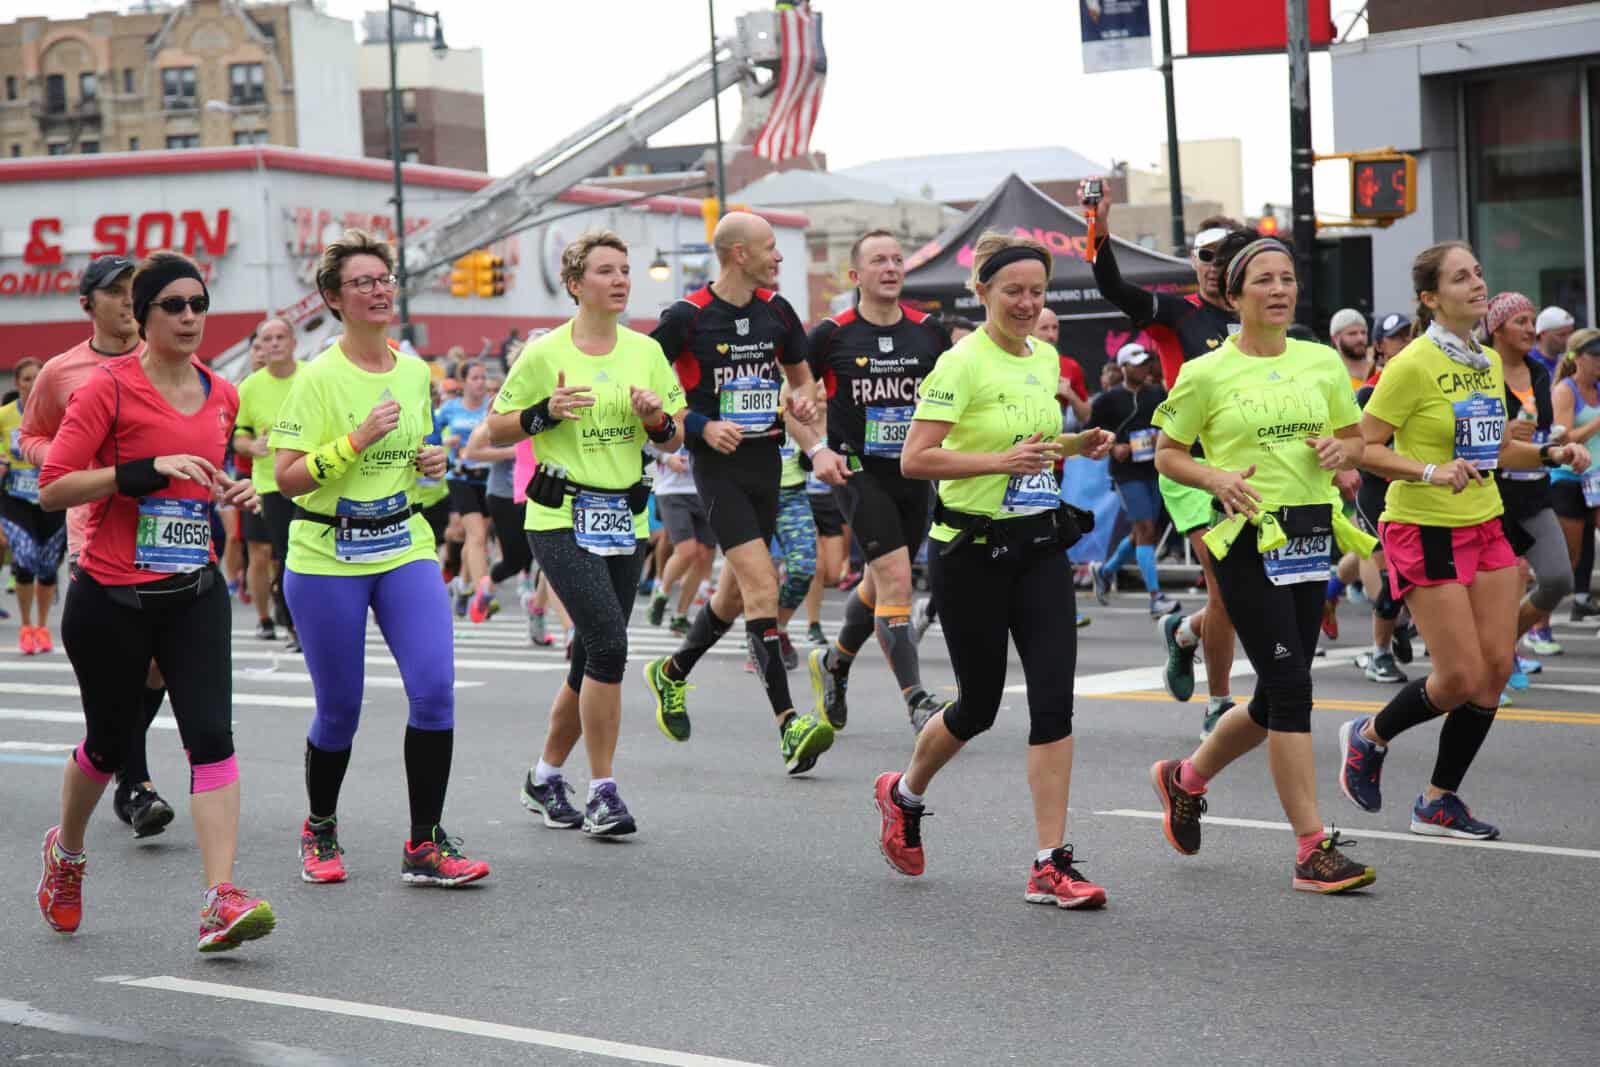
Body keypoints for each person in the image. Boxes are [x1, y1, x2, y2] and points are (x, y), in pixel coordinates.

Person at [36, 250, 275, 951]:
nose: (190, 317)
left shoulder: (221, 393)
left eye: (199, 304)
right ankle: (67, 854)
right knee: (109, 744)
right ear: (141, 317)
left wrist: (235, 490)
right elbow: (53, 486)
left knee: (212, 734)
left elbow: (205, 477)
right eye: (174, 305)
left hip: (193, 590)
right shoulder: (105, 389)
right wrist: (142, 470)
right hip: (110, 595)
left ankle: (220, 897)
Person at [873, 231, 1115, 907]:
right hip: (970, 553)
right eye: (1013, 291)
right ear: (981, 292)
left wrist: (1077, 442)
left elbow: (1028, 446)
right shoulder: (961, 364)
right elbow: (916, 459)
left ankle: (1049, 860)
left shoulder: (1045, 358)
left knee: (1053, 700)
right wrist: (995, 464)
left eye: (1037, 292)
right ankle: (905, 792)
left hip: (1038, 547)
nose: (1027, 303)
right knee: (977, 705)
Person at [1143, 231, 1378, 893]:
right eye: (1264, 281)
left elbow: (1354, 438)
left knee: (1275, 696)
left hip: (1309, 536)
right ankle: (1311, 848)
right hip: (1247, 538)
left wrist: (1342, 453)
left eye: (1287, 279)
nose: (1279, 290)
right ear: (1236, 295)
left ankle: (1183, 779)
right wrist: (1215, 478)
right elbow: (1168, 453)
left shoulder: (1320, 361)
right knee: (1292, 690)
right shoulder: (1207, 372)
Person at [1337, 242, 1590, 842]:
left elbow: (1493, 450)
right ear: (1430, 297)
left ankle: (1438, 800)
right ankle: (1368, 737)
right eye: (1460, 278)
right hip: (1423, 526)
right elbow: (1363, 448)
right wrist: (1429, 471)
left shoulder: (1480, 361)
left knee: (1496, 669)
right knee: (1456, 678)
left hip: (1485, 521)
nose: (1477, 284)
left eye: (1477, 273)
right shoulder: (1411, 364)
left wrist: (1555, 453)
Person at [272, 229, 488, 887]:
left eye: (384, 279)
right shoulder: (317, 377)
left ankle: (424, 842)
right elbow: (286, 476)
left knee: (434, 689)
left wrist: (432, 465)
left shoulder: (414, 370)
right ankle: (320, 824)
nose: (377, 290)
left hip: (403, 543)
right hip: (325, 552)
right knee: (340, 707)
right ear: (334, 298)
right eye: (362, 282)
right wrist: (355, 440)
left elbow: (417, 474)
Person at [487, 230, 686, 835]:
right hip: (558, 516)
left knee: (592, 656)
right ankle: (604, 791)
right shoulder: (545, 352)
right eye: (606, 271)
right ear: (575, 284)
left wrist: (656, 419)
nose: (621, 279)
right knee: (609, 646)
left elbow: (675, 436)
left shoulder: (645, 351)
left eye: (625, 269)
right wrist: (545, 411)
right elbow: (496, 429)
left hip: (623, 517)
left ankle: (545, 776)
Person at [639, 211, 843, 775]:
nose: (779, 257)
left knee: (730, 600)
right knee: (763, 585)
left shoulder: (777, 311)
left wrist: (803, 401)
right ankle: (788, 724)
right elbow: (649, 389)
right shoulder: (686, 317)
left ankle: (672, 673)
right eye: (770, 248)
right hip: (717, 470)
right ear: (738, 254)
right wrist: (701, 426)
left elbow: (800, 379)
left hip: (768, 466)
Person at [19, 253, 174, 837]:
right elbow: (32, 436)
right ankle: (135, 782)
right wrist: (66, 457)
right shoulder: (62, 372)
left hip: (164, 522)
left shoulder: (164, 357)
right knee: (124, 662)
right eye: (116, 291)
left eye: (135, 289)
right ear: (89, 304)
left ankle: (125, 770)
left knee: (157, 666)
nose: (128, 300)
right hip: (97, 526)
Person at [1084, 184, 1243, 737]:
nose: (1209, 267)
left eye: (1221, 257)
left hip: (1249, 468)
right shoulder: (1178, 314)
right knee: (1224, 587)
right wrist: (1098, 232)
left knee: (1245, 595)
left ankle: (1183, 633)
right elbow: (1113, 286)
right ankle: (1220, 703)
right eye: (1201, 256)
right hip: (1188, 466)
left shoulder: (1264, 322)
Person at [805, 230, 955, 733]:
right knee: (896, 580)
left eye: (896, 260)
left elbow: (954, 396)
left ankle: (835, 663)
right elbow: (793, 400)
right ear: (856, 276)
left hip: (914, 472)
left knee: (876, 583)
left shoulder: (930, 331)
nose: (890, 268)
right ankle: (916, 699)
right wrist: (817, 448)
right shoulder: (830, 335)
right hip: (857, 472)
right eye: (878, 261)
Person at [1482, 292, 1572, 695]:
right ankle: (1495, 664)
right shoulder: (1479, 370)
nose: (1530, 328)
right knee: (1499, 588)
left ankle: (1502, 645)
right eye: (1520, 320)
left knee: (1556, 578)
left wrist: (1561, 444)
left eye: (1532, 320)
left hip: (1534, 490)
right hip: (1490, 494)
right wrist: (1502, 437)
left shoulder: (1537, 371)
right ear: (1496, 328)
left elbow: (1544, 429)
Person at [1088, 342, 1177, 620]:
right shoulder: (1108, 400)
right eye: (1136, 363)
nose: (1142, 368)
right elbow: (1091, 433)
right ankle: (1155, 598)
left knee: (1142, 532)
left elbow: (1169, 424)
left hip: (1155, 469)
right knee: (1146, 528)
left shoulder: (1157, 394)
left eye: (1145, 363)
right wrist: (1113, 448)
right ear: (1123, 367)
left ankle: (1104, 571)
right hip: (1126, 473)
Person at [1351, 313, 1414, 684]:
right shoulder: (1369, 392)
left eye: (1409, 335)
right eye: (1396, 337)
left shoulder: (1421, 383)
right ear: (1380, 346)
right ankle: (1379, 654)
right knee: (1394, 578)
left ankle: (1403, 622)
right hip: (1379, 494)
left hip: (1418, 490)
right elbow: (1363, 452)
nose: (1404, 342)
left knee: (1418, 577)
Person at [234, 316, 300, 651]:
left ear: (293, 343)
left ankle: (307, 620)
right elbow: (238, 434)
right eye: (267, 339)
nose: (274, 344)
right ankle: (291, 626)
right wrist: (252, 446)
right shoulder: (250, 386)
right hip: (270, 484)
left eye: (280, 337)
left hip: (311, 479)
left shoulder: (312, 378)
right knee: (283, 556)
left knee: (310, 555)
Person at [1, 358, 67, 653]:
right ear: (17, 382)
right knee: (25, 558)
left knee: (48, 564)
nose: (32, 383)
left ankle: (42, 626)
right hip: (16, 497)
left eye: (38, 377)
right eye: (26, 378)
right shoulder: (4, 416)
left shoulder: (59, 414)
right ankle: (26, 625)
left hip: (51, 495)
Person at [437, 361, 497, 622]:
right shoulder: (450, 408)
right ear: (463, 383)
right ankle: (484, 594)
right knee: (476, 535)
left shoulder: (492, 406)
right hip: (460, 475)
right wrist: (442, 442)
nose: (480, 382)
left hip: (488, 478)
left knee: (477, 538)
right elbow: (428, 436)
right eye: (474, 377)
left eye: (483, 377)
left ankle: (462, 585)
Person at [1549, 328, 1600, 632]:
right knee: (1571, 553)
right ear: (1578, 358)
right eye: (1595, 356)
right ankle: (1542, 619)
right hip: (1568, 477)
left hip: (1597, 477)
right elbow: (1565, 436)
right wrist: (1597, 422)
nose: (1599, 362)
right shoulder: (1565, 390)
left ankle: (1582, 598)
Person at [1035, 307, 1091, 426]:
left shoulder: (1070, 366)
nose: (1051, 334)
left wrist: (1070, 394)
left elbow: (1086, 417)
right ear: (1030, 330)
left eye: (1055, 328)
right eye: (1044, 328)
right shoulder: (1014, 361)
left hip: (1056, 439)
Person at [1328, 307, 1371, 389]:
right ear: (1335, 338)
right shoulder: (1330, 377)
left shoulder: (1380, 372)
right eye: (1352, 333)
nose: (1360, 338)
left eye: (1363, 332)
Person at [1532, 306, 1575, 378]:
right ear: (1543, 334)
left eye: (1571, 333)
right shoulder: (1529, 361)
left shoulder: (1571, 356)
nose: (1569, 339)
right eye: (1562, 335)